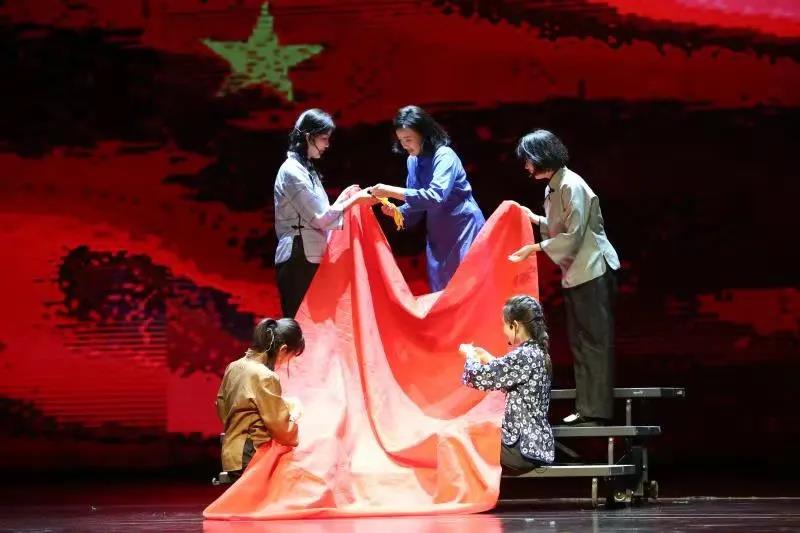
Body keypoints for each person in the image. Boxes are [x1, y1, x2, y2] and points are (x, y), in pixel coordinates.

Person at [509, 129, 620, 426]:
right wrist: (534, 219)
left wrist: (534, 248)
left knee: (595, 341)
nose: (526, 166)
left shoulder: (572, 185)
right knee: (580, 342)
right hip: (576, 272)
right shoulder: (553, 188)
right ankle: (587, 408)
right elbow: (558, 227)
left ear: (541, 156)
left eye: (528, 160)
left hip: (593, 269)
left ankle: (597, 411)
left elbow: (573, 235)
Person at [369, 105, 485, 292]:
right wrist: (398, 212)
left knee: (466, 287)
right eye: (401, 140)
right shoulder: (412, 160)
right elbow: (416, 200)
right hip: (438, 231)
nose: (404, 145)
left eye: (408, 139)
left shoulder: (445, 155)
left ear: (424, 134)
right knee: (441, 291)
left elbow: (435, 196)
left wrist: (390, 191)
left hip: (463, 226)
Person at [274, 109, 376, 317]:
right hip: (298, 255)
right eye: (323, 138)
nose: (327, 145)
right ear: (308, 137)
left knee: (315, 325)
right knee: (297, 323)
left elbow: (322, 214)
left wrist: (346, 197)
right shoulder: (292, 171)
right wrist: (355, 200)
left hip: (309, 255)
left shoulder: (306, 169)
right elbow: (320, 218)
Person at [460, 295, 554, 474]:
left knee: (461, 438)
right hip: (536, 445)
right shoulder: (538, 353)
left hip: (521, 448)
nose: (503, 330)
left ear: (515, 325)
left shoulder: (524, 355)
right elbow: (511, 376)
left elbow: (479, 377)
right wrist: (488, 358)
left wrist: (470, 357)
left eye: (505, 324)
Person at [215, 318, 305, 480]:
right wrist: (294, 417)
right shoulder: (265, 376)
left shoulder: (234, 367)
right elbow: (281, 428)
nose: (285, 363)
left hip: (232, 454)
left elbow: (222, 407)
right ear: (283, 349)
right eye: (290, 357)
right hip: (253, 454)